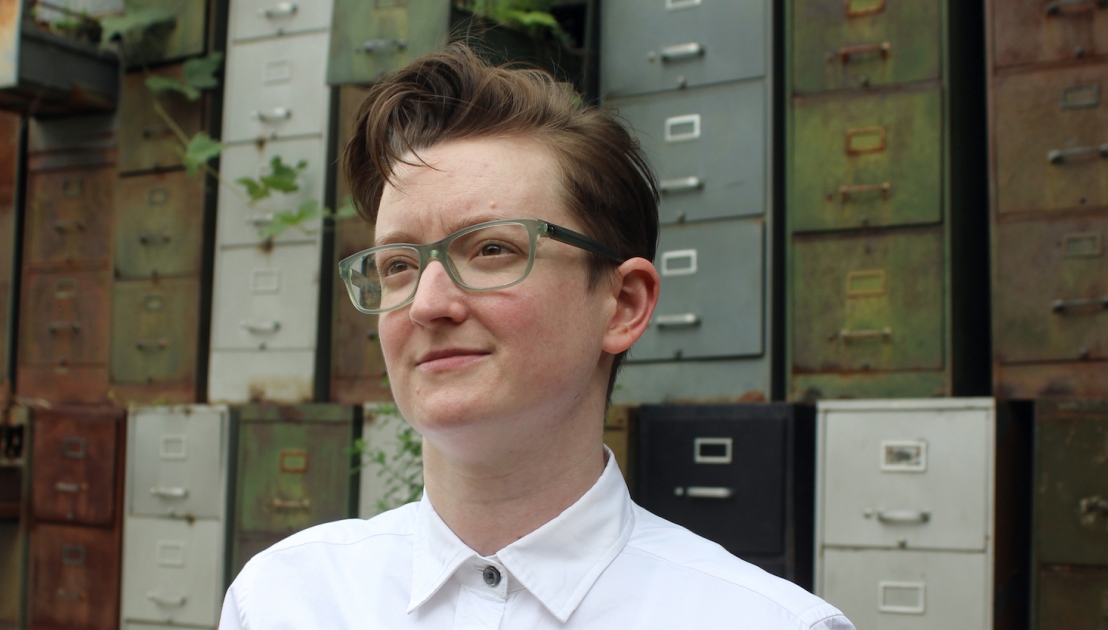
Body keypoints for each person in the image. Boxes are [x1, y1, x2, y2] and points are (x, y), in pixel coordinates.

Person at [219, 44, 854, 630]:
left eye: (491, 249)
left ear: (623, 305)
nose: (428, 305)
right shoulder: (282, 600)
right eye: (398, 265)